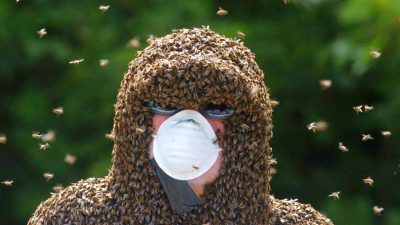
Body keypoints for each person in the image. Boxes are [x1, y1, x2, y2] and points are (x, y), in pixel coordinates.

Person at [28, 27, 333, 224]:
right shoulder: (72, 217)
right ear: (139, 119)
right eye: (167, 105)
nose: (189, 123)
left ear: (247, 124)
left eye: (216, 107)